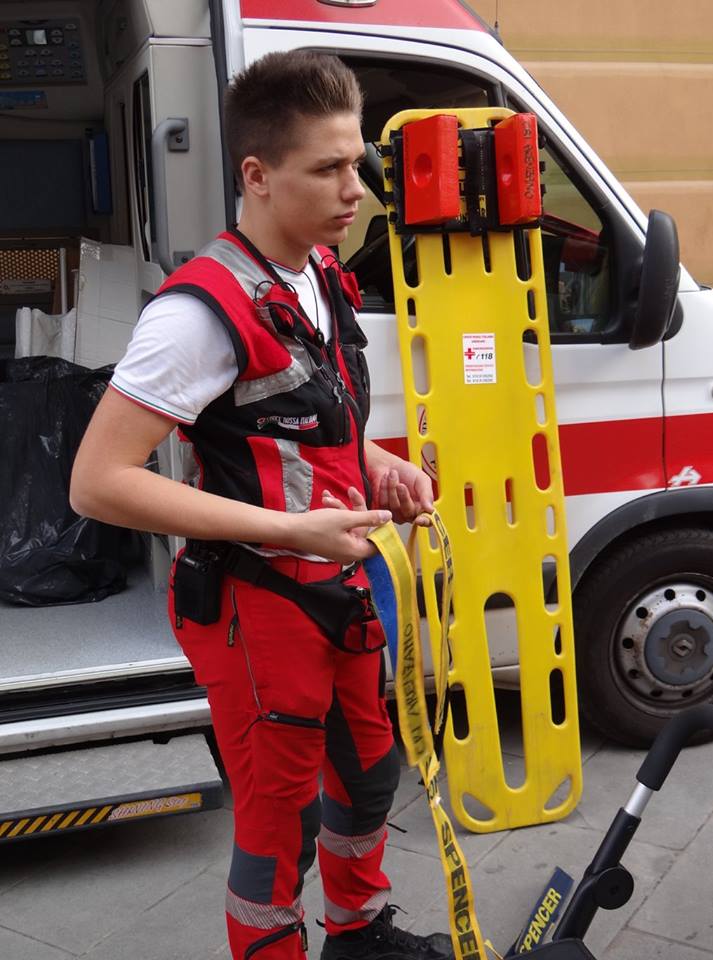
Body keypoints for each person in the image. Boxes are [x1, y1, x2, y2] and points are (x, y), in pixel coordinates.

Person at [71, 50, 453, 960]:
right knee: (275, 824)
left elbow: (301, 409)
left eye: (356, 162)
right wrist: (292, 529)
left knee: (366, 776)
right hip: (256, 607)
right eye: (328, 168)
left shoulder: (317, 271)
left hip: (336, 583)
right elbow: (97, 481)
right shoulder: (196, 312)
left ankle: (357, 933)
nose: (355, 187)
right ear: (257, 175)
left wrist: (374, 462)